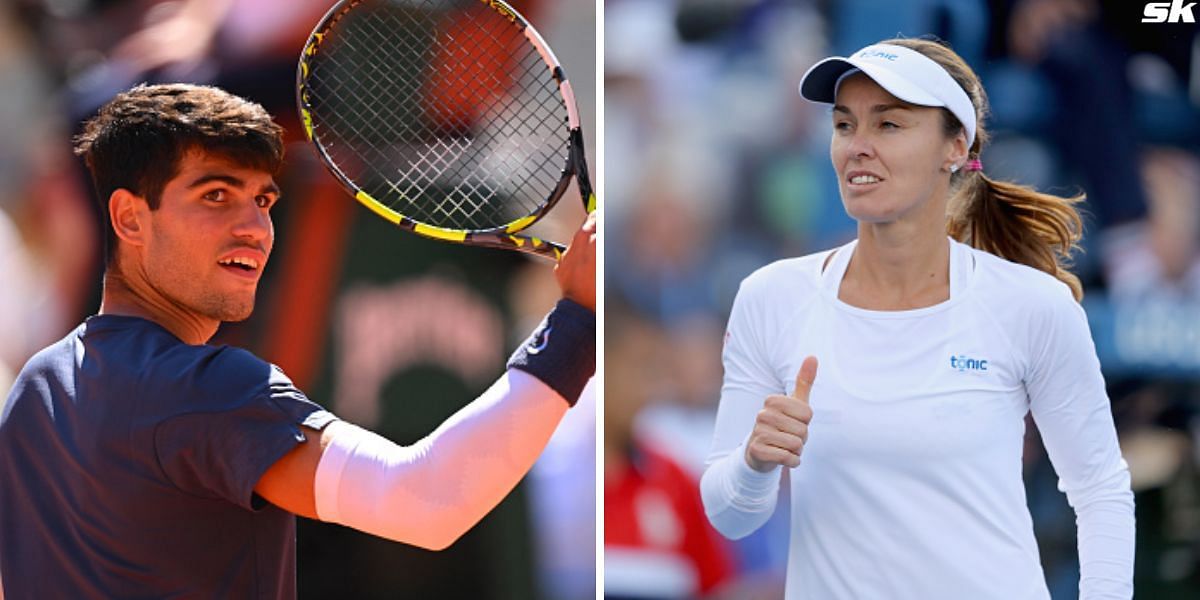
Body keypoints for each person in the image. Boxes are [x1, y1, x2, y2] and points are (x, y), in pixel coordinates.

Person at [0, 83, 596, 599]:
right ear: (129, 218)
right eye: (215, 196)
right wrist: (577, 321)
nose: (254, 228)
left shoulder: (36, 384)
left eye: (262, 200)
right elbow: (427, 499)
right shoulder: (209, 389)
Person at [699, 39, 1134, 599]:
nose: (857, 147)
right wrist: (755, 462)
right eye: (844, 125)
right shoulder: (770, 296)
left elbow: (1100, 489)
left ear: (955, 146)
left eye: (889, 126)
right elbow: (730, 516)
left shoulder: (1034, 306)